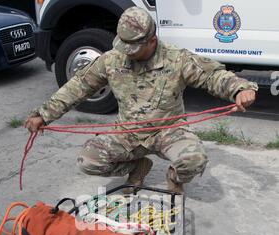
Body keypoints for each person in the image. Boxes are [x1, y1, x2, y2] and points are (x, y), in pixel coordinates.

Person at [25, 6, 258, 194]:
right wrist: (43, 114)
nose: (128, 53)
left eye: (134, 48)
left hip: (169, 131)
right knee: (89, 160)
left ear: (152, 41)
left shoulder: (177, 59)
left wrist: (239, 89)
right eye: (124, 47)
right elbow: (77, 87)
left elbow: (212, 75)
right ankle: (138, 167)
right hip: (128, 133)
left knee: (194, 160)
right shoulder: (111, 60)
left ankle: (174, 178)